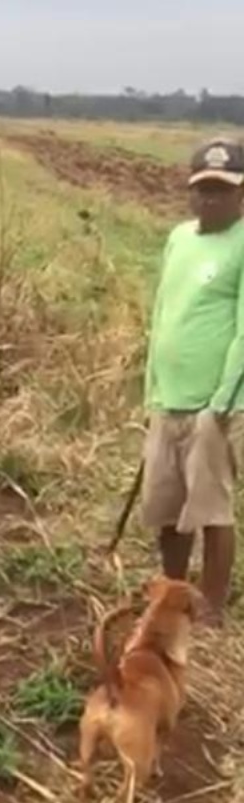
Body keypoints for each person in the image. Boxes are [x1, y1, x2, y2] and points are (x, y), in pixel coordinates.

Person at [142, 137, 244, 623]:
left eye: (222, 190)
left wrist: (221, 402)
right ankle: (175, 592)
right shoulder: (179, 238)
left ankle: (212, 606)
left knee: (211, 509)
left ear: (241, 193)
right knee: (167, 507)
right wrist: (152, 389)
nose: (210, 198)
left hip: (213, 405)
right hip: (168, 400)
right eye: (202, 189)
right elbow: (162, 314)